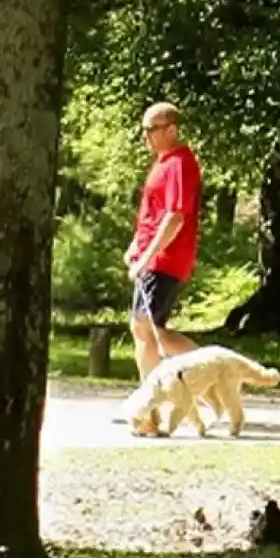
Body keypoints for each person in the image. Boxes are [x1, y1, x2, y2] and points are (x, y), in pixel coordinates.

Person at [124, 101, 201, 381]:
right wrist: (136, 245)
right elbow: (152, 212)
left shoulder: (180, 163)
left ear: (171, 129)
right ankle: (152, 403)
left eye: (151, 129)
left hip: (166, 258)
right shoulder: (163, 163)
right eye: (144, 130)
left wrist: (145, 259)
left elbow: (174, 218)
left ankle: (209, 367)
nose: (146, 136)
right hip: (152, 257)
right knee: (145, 328)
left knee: (146, 328)